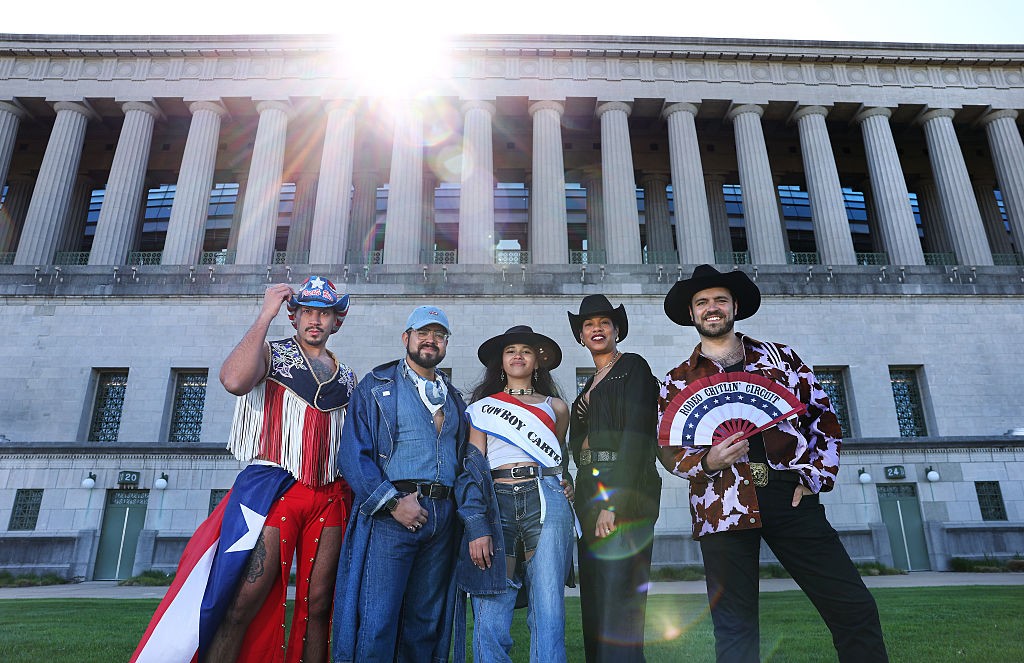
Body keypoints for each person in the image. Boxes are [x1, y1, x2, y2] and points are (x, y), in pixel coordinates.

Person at [658, 264, 889, 663]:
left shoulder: (782, 360)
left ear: (734, 307)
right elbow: (668, 452)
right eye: (702, 303)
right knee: (734, 627)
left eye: (719, 300)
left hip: (790, 497)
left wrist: (816, 477)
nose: (711, 308)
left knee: (852, 606)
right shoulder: (676, 380)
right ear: (692, 314)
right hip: (720, 504)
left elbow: (825, 419)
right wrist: (708, 461)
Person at [132, 275, 357, 663]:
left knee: (320, 605)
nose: (315, 320)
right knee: (242, 600)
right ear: (294, 316)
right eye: (306, 311)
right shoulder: (270, 354)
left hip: (329, 495)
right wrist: (264, 314)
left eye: (324, 313)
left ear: (337, 320)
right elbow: (233, 380)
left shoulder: (349, 377)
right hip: (277, 489)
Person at [332, 305, 469, 663]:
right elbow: (353, 455)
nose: (431, 340)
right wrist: (393, 503)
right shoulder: (376, 387)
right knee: (378, 619)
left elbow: (464, 459)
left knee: (424, 624)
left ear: (446, 345)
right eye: (423, 332)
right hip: (392, 515)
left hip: (443, 518)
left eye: (439, 335)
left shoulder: (453, 398)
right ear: (406, 338)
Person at [457, 325, 577, 663]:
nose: (519, 355)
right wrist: (476, 524)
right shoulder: (481, 409)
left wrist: (566, 482)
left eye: (526, 350)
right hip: (497, 500)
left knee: (549, 604)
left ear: (538, 361)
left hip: (546, 498)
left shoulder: (558, 407)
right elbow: (473, 468)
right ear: (502, 361)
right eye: (511, 351)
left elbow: (557, 458)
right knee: (492, 601)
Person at [567, 294, 662, 663]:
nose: (596, 329)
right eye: (589, 325)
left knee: (620, 597)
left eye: (604, 323)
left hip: (625, 492)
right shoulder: (590, 382)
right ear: (580, 336)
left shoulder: (633, 368)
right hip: (591, 489)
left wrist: (613, 503)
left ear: (616, 330)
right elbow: (579, 446)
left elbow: (637, 438)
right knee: (595, 596)